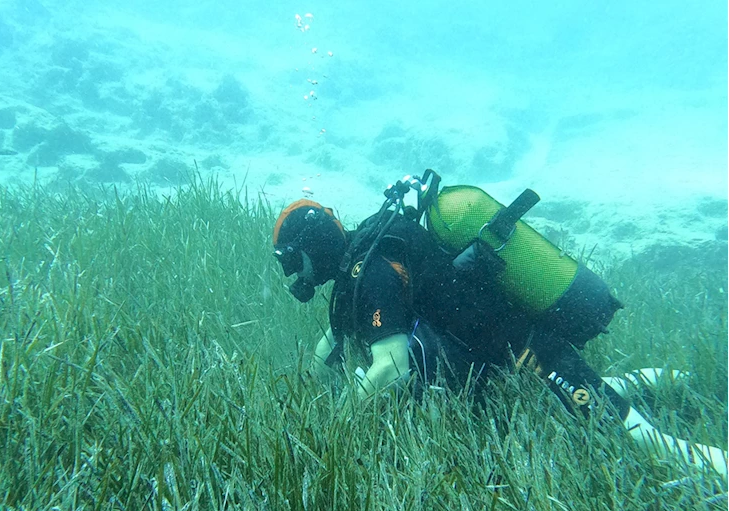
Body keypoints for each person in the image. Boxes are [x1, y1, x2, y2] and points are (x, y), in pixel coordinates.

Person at [271, 173, 728, 481]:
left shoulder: (370, 271)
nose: (297, 275)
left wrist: (327, 436)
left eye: (293, 260)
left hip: (528, 351)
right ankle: (664, 379)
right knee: (560, 405)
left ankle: (712, 460)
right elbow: (332, 341)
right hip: (499, 365)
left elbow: (391, 367)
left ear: (312, 244)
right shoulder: (367, 256)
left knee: (641, 439)